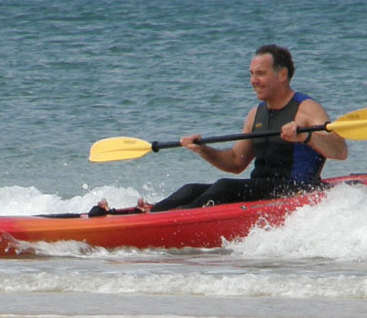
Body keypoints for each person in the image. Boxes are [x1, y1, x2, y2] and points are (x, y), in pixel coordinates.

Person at [89, 44, 347, 216]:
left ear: (282, 75)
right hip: (260, 190)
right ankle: (149, 214)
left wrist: (307, 135)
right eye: (251, 74)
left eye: (260, 73)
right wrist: (204, 150)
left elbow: (340, 150)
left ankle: (165, 219)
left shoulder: (306, 108)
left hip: (294, 191)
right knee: (191, 189)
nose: (253, 80)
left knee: (223, 187)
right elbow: (236, 162)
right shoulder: (255, 114)